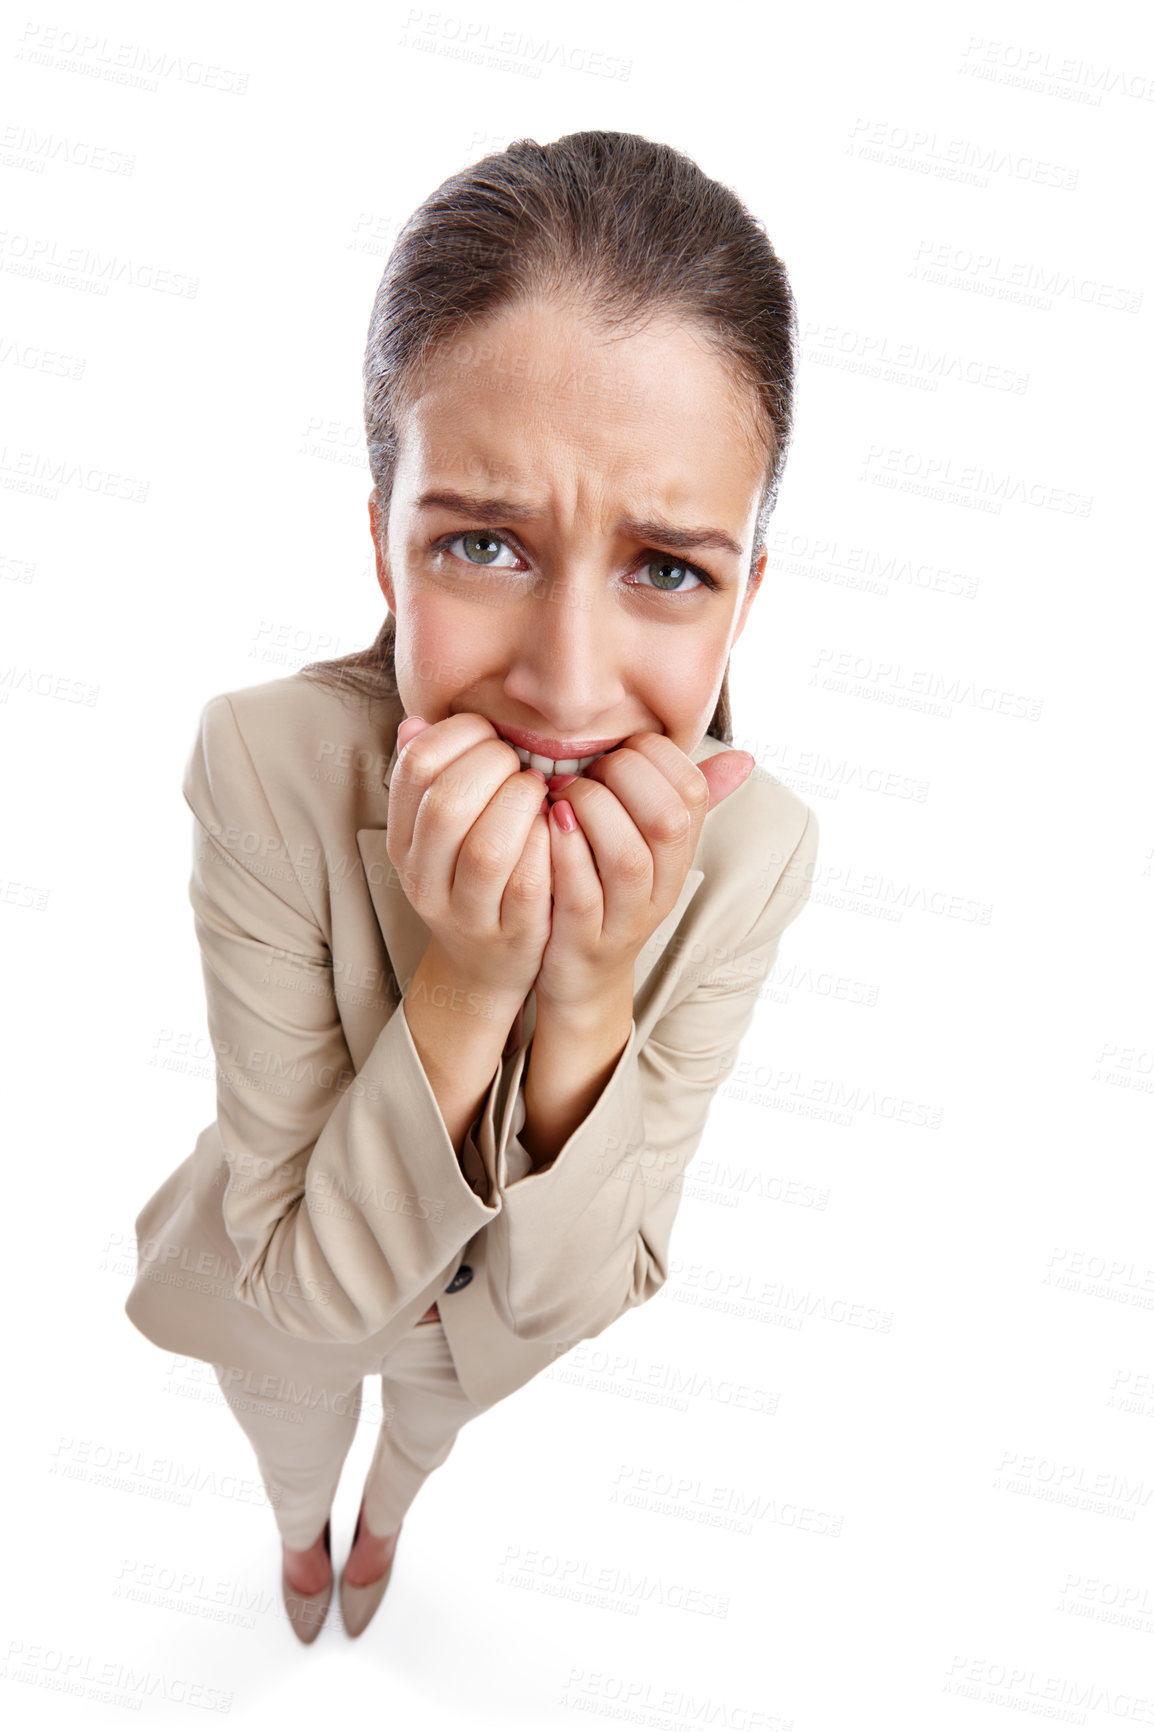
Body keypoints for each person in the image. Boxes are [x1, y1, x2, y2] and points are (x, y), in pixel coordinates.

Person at [124, 129, 820, 1645]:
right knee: (294, 1421)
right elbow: (303, 1290)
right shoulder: (264, 762)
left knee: (428, 1426)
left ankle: (385, 1521)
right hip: (280, 1287)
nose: (565, 687)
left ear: (743, 593)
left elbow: (580, 1289)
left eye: (666, 568)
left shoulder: (757, 851)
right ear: (384, 544)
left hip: (478, 1339)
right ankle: (304, 1530)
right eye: (485, 543)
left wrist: (582, 988)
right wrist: (473, 969)